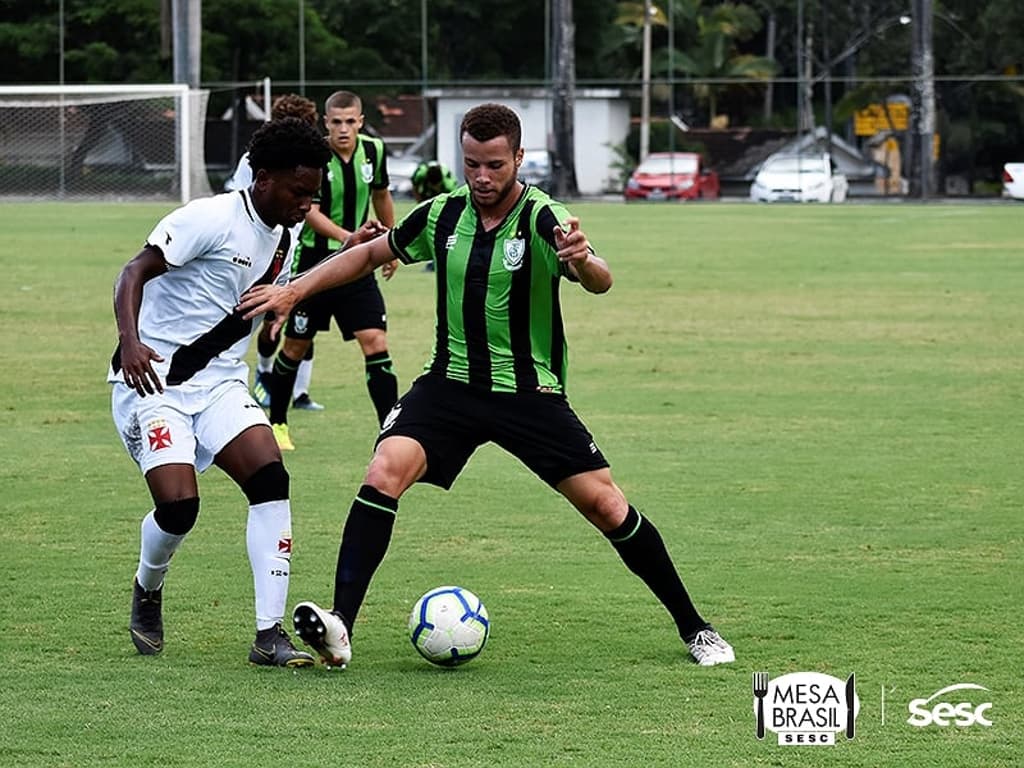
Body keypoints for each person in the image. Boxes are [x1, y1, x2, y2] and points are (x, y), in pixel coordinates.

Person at [239, 103, 735, 668]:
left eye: (494, 164)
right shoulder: (442, 214)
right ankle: (339, 627)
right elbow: (369, 254)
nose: (481, 176)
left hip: (529, 393)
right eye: (472, 163)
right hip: (449, 386)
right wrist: (295, 289)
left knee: (606, 505)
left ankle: (696, 628)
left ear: (518, 158)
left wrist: (583, 260)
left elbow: (598, 277)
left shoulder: (545, 218)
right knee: (383, 472)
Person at [109, 117, 332, 667]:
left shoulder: (287, 232)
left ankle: (269, 634)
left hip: (219, 380)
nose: (307, 204)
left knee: (270, 475)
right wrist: (131, 343)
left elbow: (243, 311)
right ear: (263, 177)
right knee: (180, 506)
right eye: (298, 192)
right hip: (154, 378)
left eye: (313, 195)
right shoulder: (209, 218)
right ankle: (148, 587)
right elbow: (131, 273)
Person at [264, 89, 399, 451]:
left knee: (376, 342)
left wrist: (393, 245)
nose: (343, 129)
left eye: (349, 122)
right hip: (316, 265)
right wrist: (348, 237)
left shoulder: (374, 151)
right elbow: (309, 210)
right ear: (326, 123)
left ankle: (390, 431)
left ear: (360, 122)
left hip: (358, 267)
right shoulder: (315, 157)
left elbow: (382, 195)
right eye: (336, 122)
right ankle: (277, 423)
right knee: (295, 346)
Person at [225, 93, 325, 413]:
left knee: (300, 319)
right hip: (257, 254)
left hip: (294, 250)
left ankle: (300, 390)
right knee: (268, 321)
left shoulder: (313, 164)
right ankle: (263, 374)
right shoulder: (254, 162)